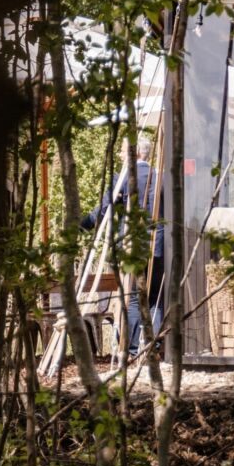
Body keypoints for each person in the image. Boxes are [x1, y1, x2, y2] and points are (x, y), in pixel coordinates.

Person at [82, 135, 164, 362]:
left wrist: (82, 225)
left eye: (122, 150)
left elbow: (103, 210)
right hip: (158, 247)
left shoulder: (123, 179)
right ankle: (153, 347)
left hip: (132, 247)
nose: (119, 154)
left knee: (134, 298)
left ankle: (132, 350)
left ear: (133, 153)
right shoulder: (160, 178)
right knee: (155, 298)